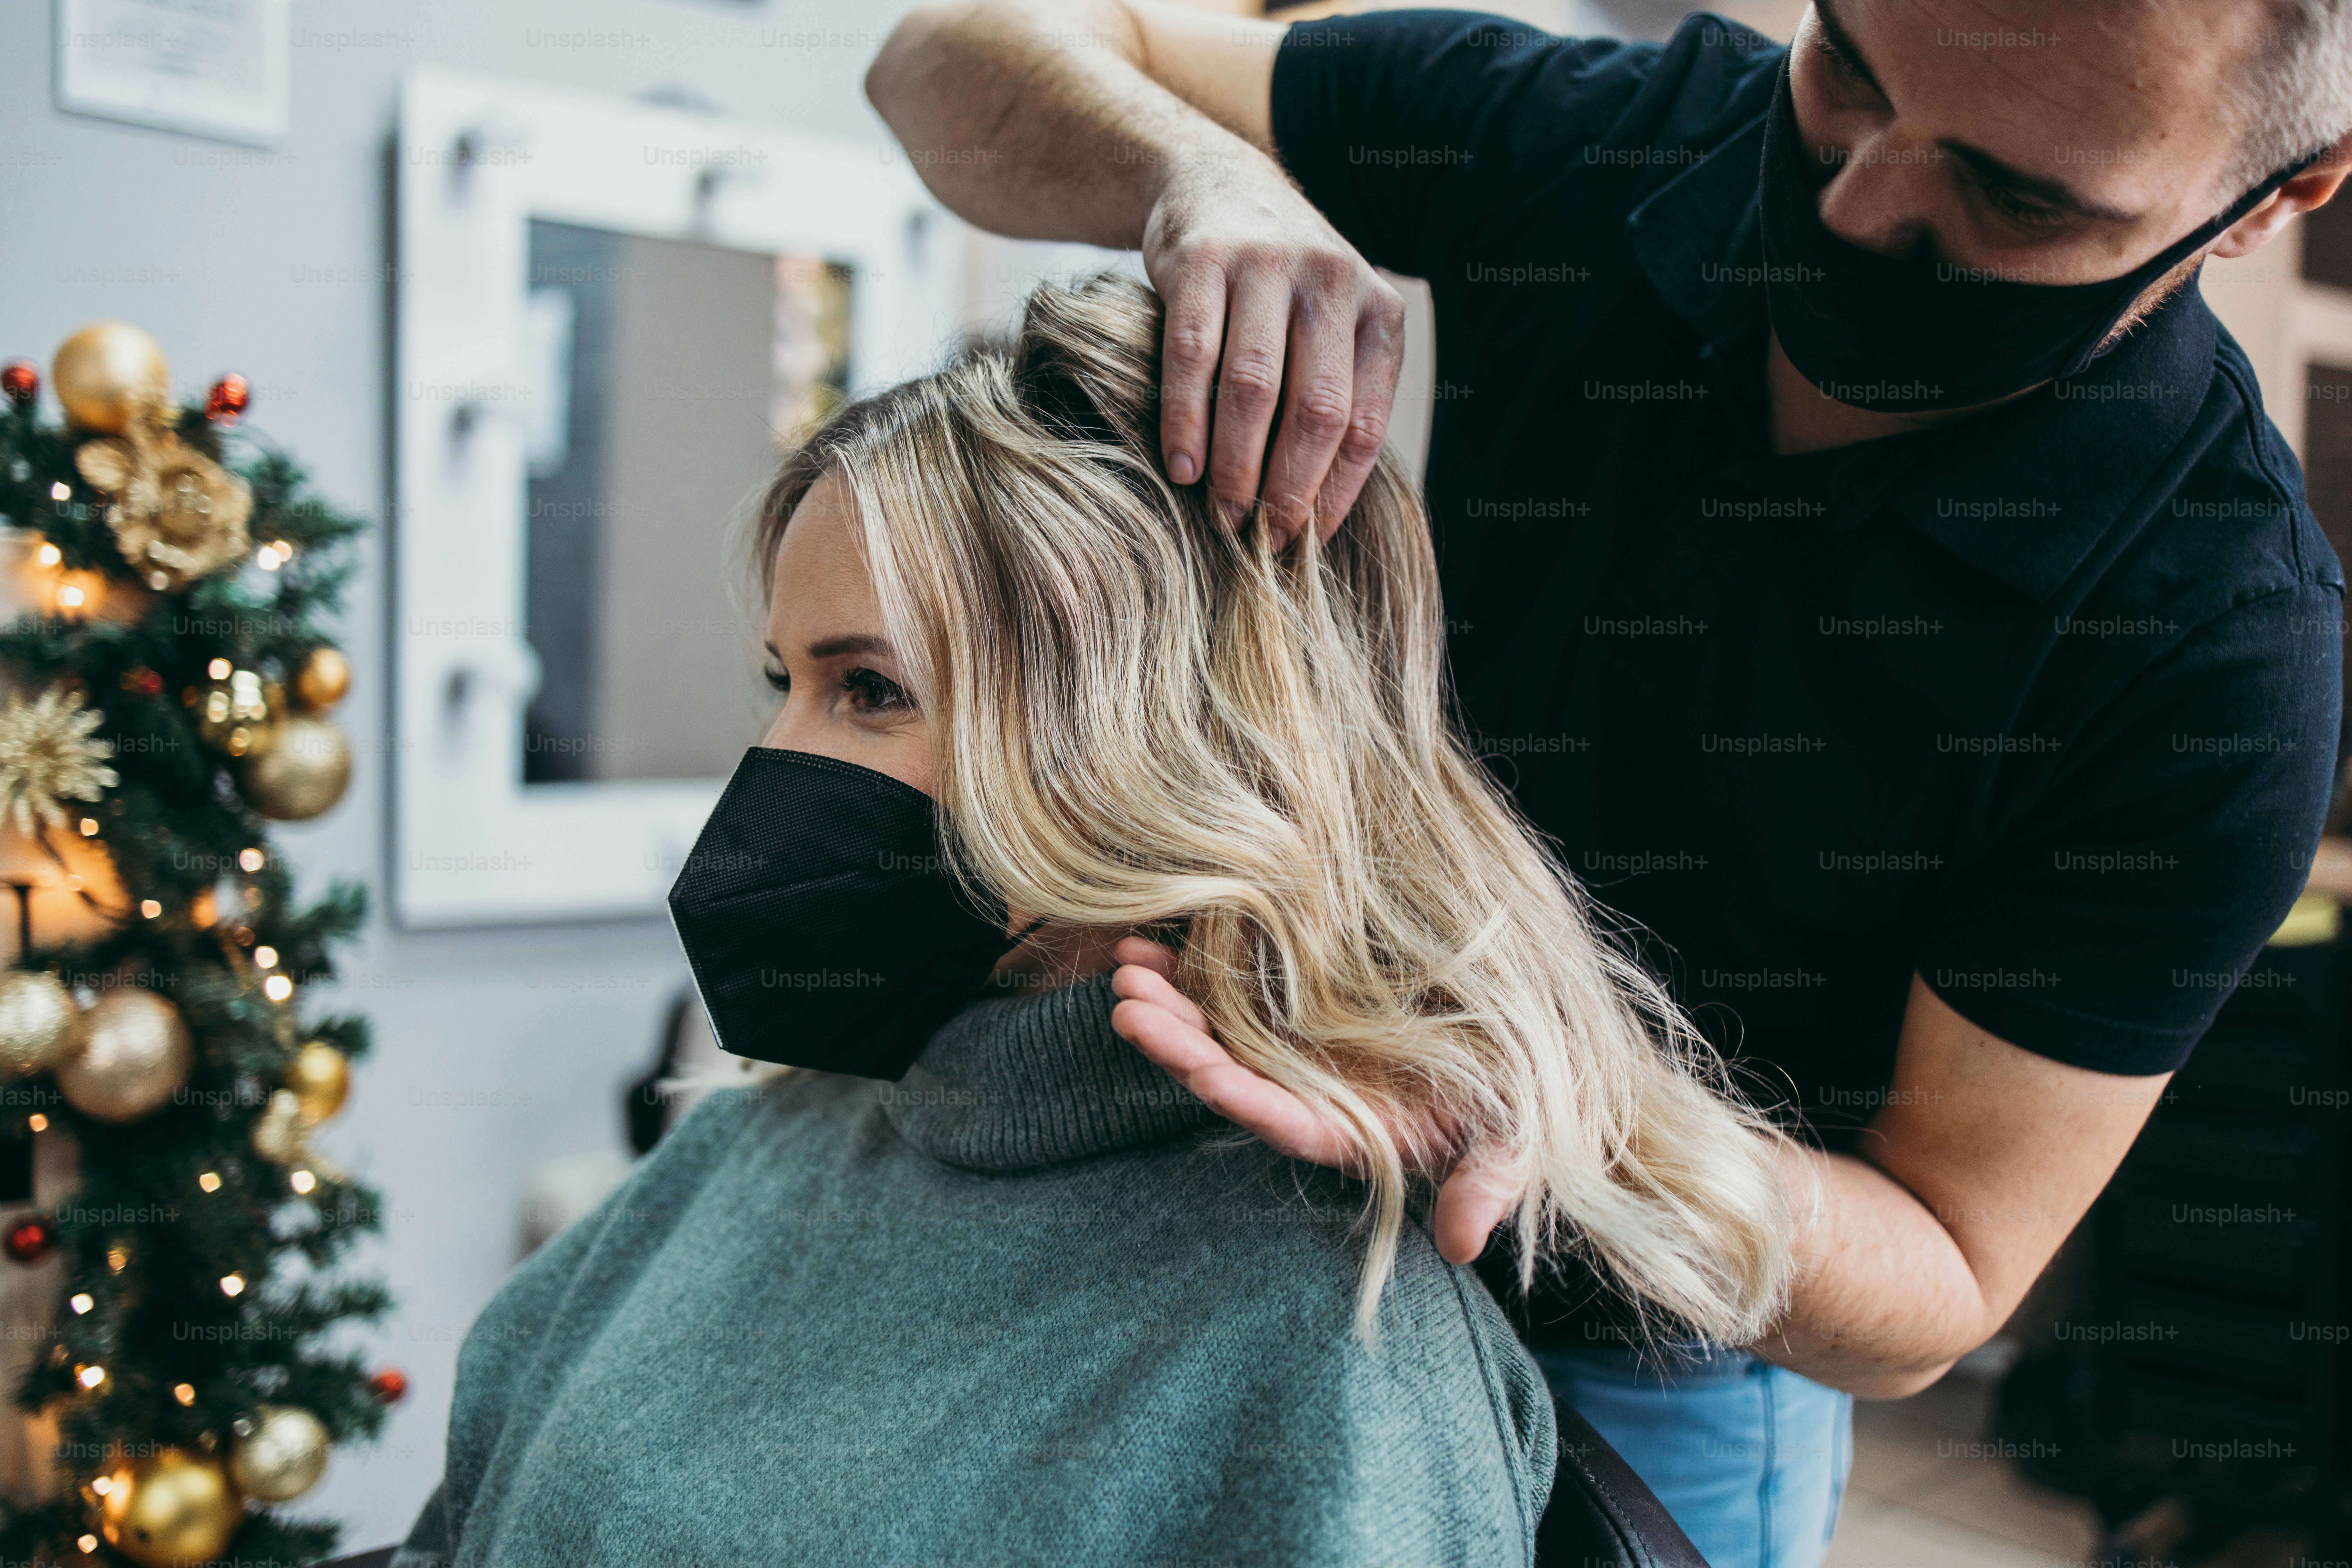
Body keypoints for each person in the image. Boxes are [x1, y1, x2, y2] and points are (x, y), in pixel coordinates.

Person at [865, 4, 2352, 1565]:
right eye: (1846, 63)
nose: (1848, 198)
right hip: (1239, 1222)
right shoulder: (1621, 135)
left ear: (2276, 195)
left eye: (2014, 195)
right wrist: (1197, 181)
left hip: (1656, 1351)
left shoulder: (2214, 651)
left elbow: (1946, 1274)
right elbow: (942, 58)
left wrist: (1567, 1110)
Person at [390, 273, 1797, 1566]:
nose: (778, 764)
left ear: (1147, 745)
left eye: (869, 688)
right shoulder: (774, 1136)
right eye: (784, 682)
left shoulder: (1326, 1346)